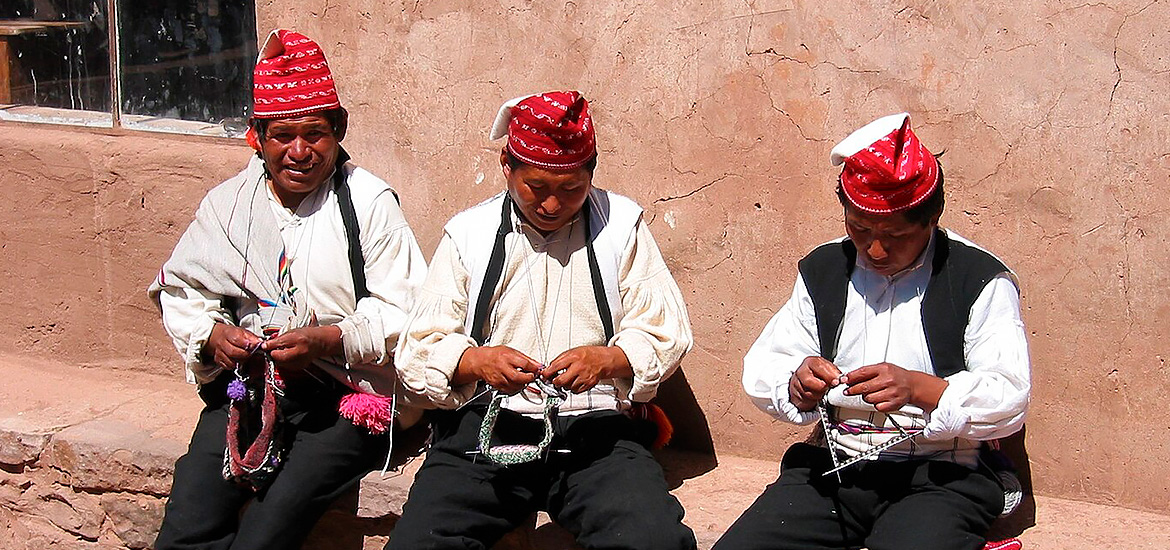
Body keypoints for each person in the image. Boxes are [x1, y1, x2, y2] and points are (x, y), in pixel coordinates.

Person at [147, 29, 426, 550]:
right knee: (191, 516)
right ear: (258, 136)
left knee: (268, 528)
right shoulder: (228, 206)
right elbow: (180, 289)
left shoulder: (368, 204)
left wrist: (328, 340)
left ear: (338, 129)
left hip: (348, 397)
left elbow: (408, 312)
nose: (300, 152)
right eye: (282, 136)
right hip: (253, 388)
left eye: (315, 134)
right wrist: (212, 336)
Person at [387, 91, 697, 550]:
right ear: (507, 169)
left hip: (595, 430)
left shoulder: (622, 226)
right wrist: (474, 362)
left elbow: (668, 331)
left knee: (652, 540)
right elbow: (417, 348)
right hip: (487, 425)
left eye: (571, 189)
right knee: (421, 543)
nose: (552, 205)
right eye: (537, 187)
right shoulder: (468, 234)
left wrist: (609, 359)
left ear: (591, 175)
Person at [715, 113, 1031, 550]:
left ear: (933, 217)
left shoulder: (979, 280)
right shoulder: (825, 270)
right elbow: (769, 360)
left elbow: (1010, 393)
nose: (876, 249)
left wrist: (922, 389)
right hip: (837, 465)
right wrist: (797, 382)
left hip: (942, 473)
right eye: (860, 229)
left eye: (896, 235)